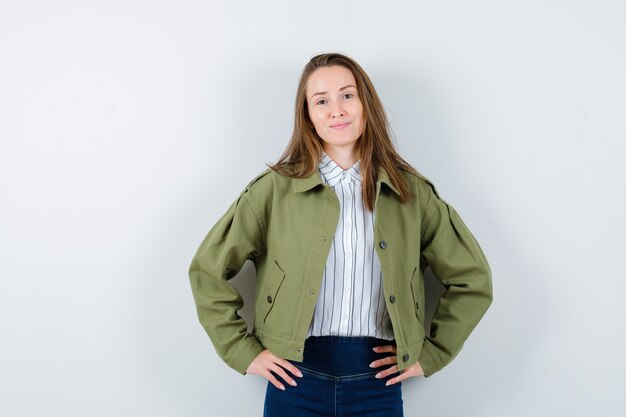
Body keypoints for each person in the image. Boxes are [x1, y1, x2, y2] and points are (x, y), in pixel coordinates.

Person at [188, 52, 493, 416]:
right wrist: (243, 351)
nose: (337, 110)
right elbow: (207, 271)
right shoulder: (273, 191)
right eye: (321, 101)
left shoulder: (411, 194)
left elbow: (472, 280)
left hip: (377, 383)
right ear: (308, 116)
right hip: (294, 378)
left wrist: (432, 354)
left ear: (366, 103)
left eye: (347, 95)